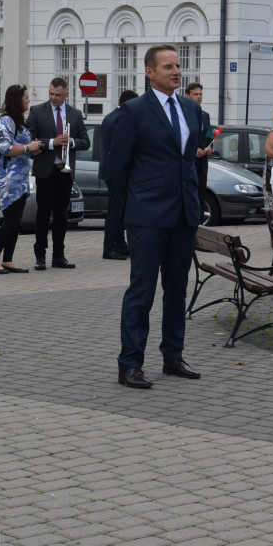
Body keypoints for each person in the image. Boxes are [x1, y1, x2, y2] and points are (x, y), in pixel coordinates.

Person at [108, 44, 207, 389]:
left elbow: (189, 162)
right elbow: (115, 167)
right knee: (143, 290)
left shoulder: (192, 110)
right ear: (149, 72)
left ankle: (173, 356)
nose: (176, 71)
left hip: (183, 214)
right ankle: (130, 363)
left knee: (177, 288)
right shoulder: (133, 111)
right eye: (168, 67)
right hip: (147, 216)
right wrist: (137, 200)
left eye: (178, 66)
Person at [26, 77, 90, 270]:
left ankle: (59, 256)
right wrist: (53, 142)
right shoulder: (37, 111)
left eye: (58, 95)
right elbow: (30, 137)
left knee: (62, 215)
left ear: (66, 95)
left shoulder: (75, 114)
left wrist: (71, 142)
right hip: (45, 171)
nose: (53, 98)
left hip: (65, 172)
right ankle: (40, 257)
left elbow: (85, 142)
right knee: (43, 215)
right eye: (51, 94)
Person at [0, 85, 42, 274]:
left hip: (20, 179)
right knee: (10, 221)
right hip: (8, 179)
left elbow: (23, 146)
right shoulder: (6, 121)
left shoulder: (18, 122)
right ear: (17, 100)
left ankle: (7, 259)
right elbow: (4, 148)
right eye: (26, 98)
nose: (28, 101)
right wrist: (28, 148)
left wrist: (33, 148)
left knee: (15, 222)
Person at [99, 89, 139, 260]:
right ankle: (109, 248)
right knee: (116, 211)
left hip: (110, 170)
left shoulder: (111, 116)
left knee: (119, 210)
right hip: (116, 171)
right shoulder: (122, 118)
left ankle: (120, 245)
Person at [186, 82, 213, 208]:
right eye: (195, 94)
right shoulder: (182, 115)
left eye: (200, 94)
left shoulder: (205, 115)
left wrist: (210, 148)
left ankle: (199, 223)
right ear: (187, 96)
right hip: (188, 163)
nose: (199, 97)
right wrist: (192, 150)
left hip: (202, 164)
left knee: (200, 195)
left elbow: (208, 138)